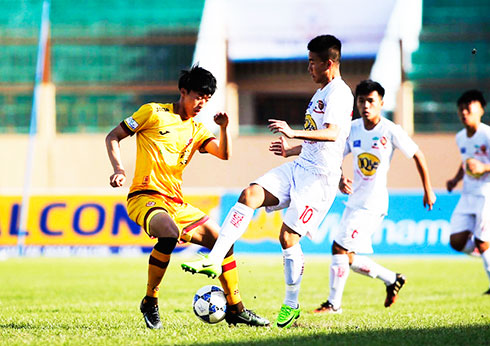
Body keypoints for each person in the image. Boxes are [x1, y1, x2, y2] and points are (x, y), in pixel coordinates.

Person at [181, 35, 354, 328]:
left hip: (320, 180)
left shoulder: (339, 93)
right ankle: (215, 257)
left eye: (313, 62)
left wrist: (293, 132)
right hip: (300, 166)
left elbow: (334, 135)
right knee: (250, 194)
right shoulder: (321, 92)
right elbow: (321, 142)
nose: (308, 68)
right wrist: (293, 148)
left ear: (329, 62)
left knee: (287, 238)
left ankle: (291, 303)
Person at [105, 65, 269, 329]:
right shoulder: (153, 113)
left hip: (176, 203)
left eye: (207, 99)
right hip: (144, 197)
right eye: (198, 97)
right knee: (168, 233)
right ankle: (151, 300)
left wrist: (224, 128)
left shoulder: (197, 129)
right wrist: (119, 169)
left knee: (222, 241)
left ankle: (236, 308)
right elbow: (113, 136)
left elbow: (224, 154)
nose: (202, 103)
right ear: (183, 92)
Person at [312, 80, 436, 314]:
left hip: (373, 203)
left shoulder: (390, 130)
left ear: (381, 103)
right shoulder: (353, 128)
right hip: (354, 201)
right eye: (361, 101)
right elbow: (336, 154)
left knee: (339, 249)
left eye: (371, 101)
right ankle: (392, 279)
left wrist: (428, 189)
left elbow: (418, 154)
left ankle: (333, 305)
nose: (366, 105)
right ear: (356, 103)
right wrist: (340, 177)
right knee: (346, 255)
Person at [446, 89, 490, 295]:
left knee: (482, 242)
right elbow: (465, 163)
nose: (464, 112)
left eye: (468, 108)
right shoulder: (460, 137)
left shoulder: (487, 134)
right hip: (467, 194)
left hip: (486, 193)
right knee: (456, 242)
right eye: (461, 109)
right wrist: (455, 179)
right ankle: (485, 248)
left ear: (481, 110)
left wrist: (484, 167)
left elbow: (478, 165)